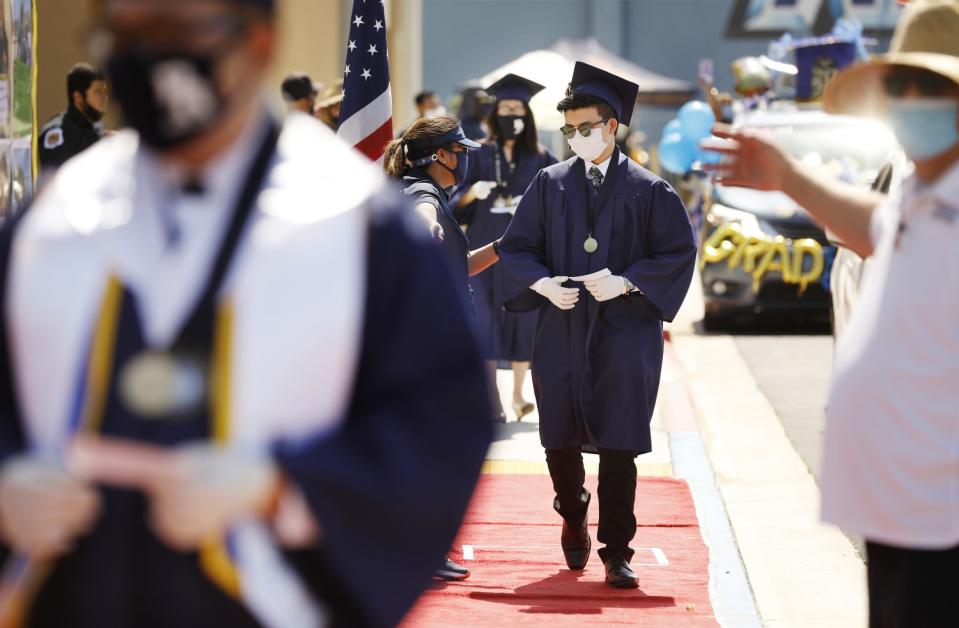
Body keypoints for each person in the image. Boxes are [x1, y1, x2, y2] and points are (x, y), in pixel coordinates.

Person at [0, 1, 492, 626]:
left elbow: (438, 425)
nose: (151, 55)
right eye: (128, 35)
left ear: (258, 41)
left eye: (179, 32)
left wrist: (285, 490)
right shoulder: (52, 224)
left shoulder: (357, 227)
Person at [708, 2, 959, 626]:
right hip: (905, 504)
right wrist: (789, 179)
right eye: (900, 86)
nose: (909, 101)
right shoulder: (923, 184)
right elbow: (873, 222)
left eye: (930, 88)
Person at [498, 62, 698, 589]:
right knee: (557, 435)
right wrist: (541, 284)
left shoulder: (650, 190)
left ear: (612, 127)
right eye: (569, 130)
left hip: (624, 329)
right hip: (563, 324)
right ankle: (572, 507)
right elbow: (518, 247)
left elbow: (678, 251)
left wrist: (630, 282)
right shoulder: (550, 183)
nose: (576, 138)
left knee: (619, 439)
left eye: (585, 128)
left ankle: (616, 551)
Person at [383, 115, 501, 581]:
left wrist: (503, 247)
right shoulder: (423, 194)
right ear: (440, 157)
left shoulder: (419, 190)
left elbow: (461, 266)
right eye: (460, 151)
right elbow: (422, 214)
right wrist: (426, 227)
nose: (465, 158)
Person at [453, 74, 558, 422]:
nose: (511, 114)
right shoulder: (478, 153)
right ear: (494, 112)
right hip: (483, 243)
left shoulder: (542, 157)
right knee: (483, 318)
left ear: (526, 114)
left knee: (522, 318)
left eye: (517, 108)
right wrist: (473, 192)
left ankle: (518, 395)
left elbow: (556, 202)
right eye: (505, 107)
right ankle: (493, 398)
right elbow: (453, 199)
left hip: (522, 247)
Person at [38, 63, 109, 172]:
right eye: (98, 92)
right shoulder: (59, 131)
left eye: (105, 92)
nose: (105, 97)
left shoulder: (97, 130)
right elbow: (55, 179)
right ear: (78, 97)